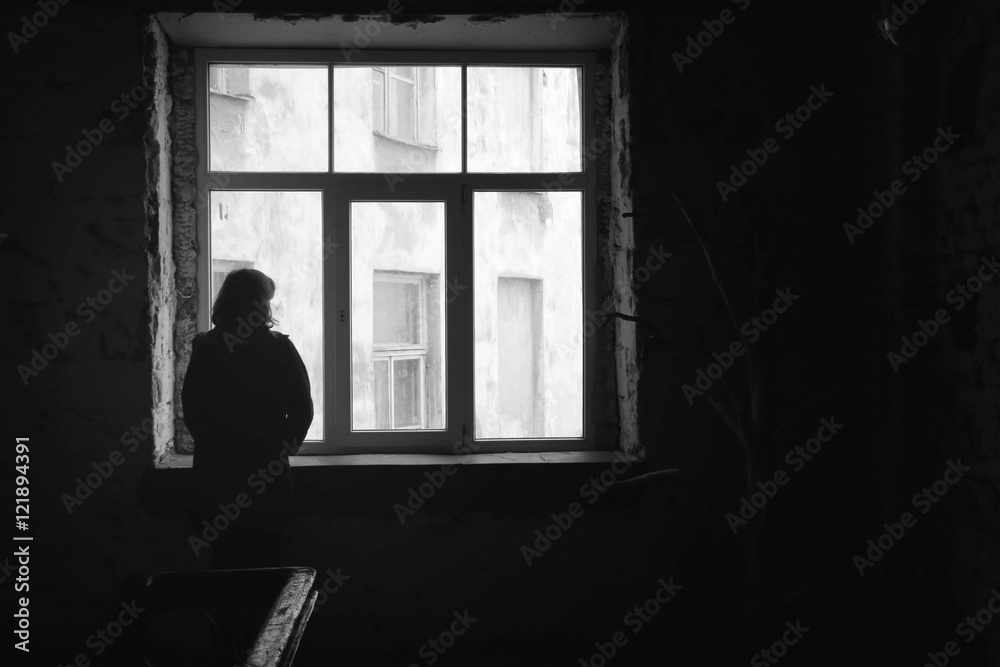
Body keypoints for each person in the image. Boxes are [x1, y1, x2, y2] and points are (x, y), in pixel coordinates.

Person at [182, 268, 313, 569]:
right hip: (266, 473)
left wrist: (213, 445)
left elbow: (192, 409)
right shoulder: (279, 349)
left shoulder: (207, 348)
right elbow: (302, 409)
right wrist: (280, 452)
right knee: (266, 569)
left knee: (224, 566)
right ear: (261, 304)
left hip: (215, 474)